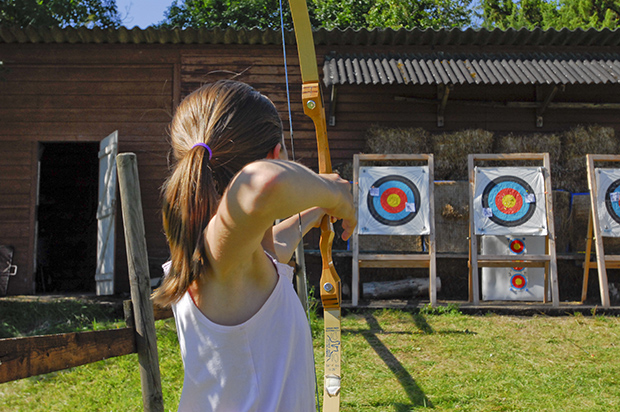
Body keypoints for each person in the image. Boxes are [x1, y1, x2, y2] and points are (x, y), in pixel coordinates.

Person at [154, 80, 356, 412]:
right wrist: (334, 195)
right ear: (275, 155)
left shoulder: (230, 261)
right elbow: (263, 184)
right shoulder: (219, 263)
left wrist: (319, 208)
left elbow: (275, 245)